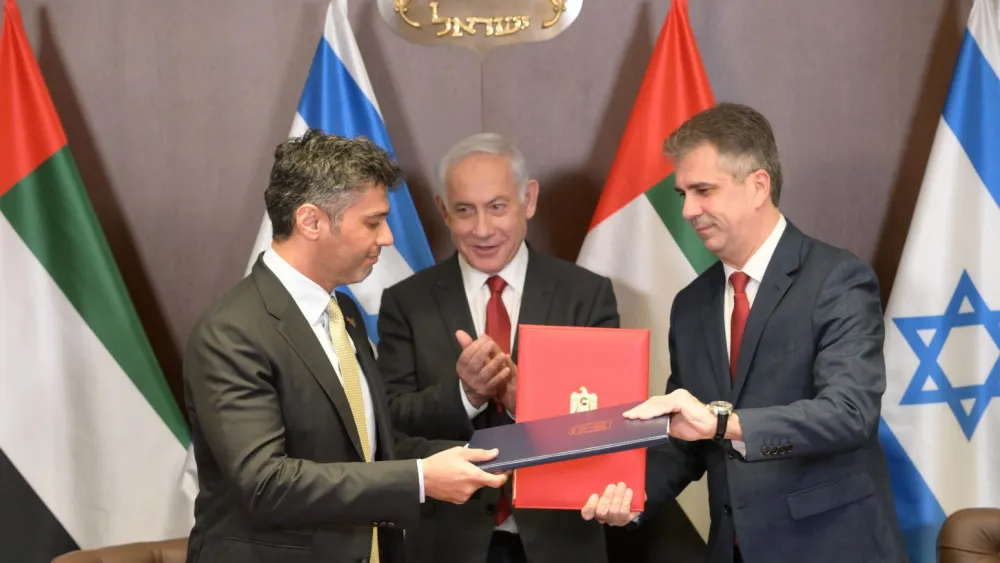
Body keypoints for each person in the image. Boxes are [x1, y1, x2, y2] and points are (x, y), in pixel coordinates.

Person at [581, 103, 907, 563]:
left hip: (831, 545)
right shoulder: (692, 304)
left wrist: (723, 424)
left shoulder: (837, 279)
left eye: (704, 191)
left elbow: (849, 414)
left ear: (758, 186)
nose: (689, 210)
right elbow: (685, 441)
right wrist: (629, 496)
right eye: (683, 194)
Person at [182, 130, 507, 563]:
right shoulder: (232, 332)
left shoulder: (344, 314)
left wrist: (473, 458)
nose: (388, 237)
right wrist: (419, 479)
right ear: (311, 221)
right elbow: (266, 484)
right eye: (373, 222)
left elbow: (368, 448)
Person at [376, 132, 619, 563]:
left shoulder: (586, 295)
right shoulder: (405, 303)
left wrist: (526, 398)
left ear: (529, 199)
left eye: (498, 207)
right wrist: (464, 396)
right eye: (465, 210)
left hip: (560, 541)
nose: (482, 229)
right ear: (443, 211)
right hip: (447, 543)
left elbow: (608, 425)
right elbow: (388, 424)